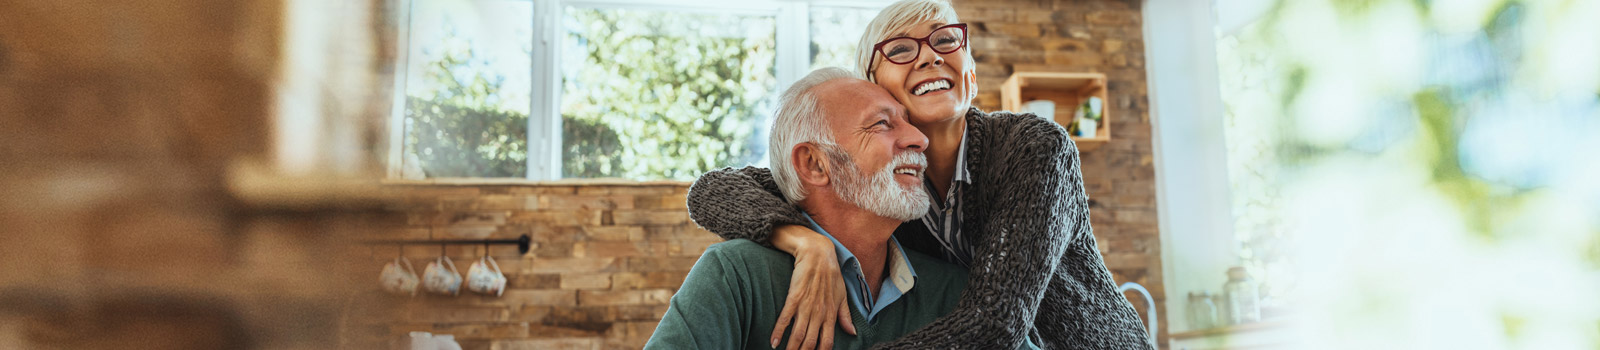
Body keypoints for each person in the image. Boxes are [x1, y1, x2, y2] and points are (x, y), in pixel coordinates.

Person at [684, 0, 1155, 349]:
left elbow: (996, 326)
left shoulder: (1034, 148)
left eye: (946, 40)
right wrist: (805, 241)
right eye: (902, 49)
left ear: (969, 69)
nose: (930, 57)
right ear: (871, 84)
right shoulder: (882, 183)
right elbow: (715, 189)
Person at [646, 68, 1018, 349]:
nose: (918, 138)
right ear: (814, 164)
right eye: (883, 124)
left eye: (908, 122)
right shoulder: (737, 276)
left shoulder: (956, 291)